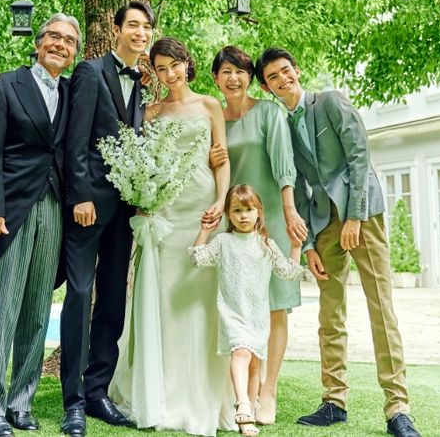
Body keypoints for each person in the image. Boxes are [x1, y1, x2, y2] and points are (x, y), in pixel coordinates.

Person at [255, 47, 422, 437]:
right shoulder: (282, 125)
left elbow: (359, 156)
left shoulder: (330, 102)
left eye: (285, 71)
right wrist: (309, 244)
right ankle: (334, 401)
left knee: (380, 307)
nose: (282, 80)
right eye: (273, 77)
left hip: (362, 214)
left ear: (297, 70)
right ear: (266, 87)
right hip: (322, 222)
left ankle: (398, 407)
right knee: (329, 314)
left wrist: (355, 217)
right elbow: (296, 185)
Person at [109, 37, 235, 437]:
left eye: (174, 65)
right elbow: (142, 163)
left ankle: (202, 391)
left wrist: (221, 200)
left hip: (202, 210)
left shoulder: (210, 105)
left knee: (200, 301)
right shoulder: (151, 112)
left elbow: (221, 158)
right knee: (164, 299)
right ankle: (161, 390)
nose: (169, 74)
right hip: (164, 212)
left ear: (186, 62)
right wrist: (144, 202)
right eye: (161, 69)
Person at [0, 13, 81, 437]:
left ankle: (21, 403)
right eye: (53, 36)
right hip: (11, 207)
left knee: (37, 311)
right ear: (38, 43)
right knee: (0, 310)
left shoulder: (71, 91)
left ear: (73, 53)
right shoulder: (7, 85)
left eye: (69, 41)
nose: (60, 45)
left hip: (54, 207)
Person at [60, 1, 155, 437]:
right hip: (89, 206)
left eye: (146, 27)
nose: (140, 33)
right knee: (80, 294)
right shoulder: (90, 71)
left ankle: (97, 390)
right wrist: (80, 196)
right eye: (132, 25)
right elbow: (76, 139)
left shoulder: (143, 83)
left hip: (124, 210)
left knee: (113, 298)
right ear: (116, 29)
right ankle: (73, 400)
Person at [209, 46, 307, 425]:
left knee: (275, 305)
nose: (234, 78)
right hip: (234, 226)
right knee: (241, 305)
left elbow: (284, 165)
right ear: (216, 78)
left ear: (250, 78)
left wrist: (289, 210)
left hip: (272, 220)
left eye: (241, 71)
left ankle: (268, 391)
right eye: (226, 72)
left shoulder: (268, 112)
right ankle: (245, 392)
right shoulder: (215, 117)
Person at [189, 184, 302, 437]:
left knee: (254, 367)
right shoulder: (223, 242)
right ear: (229, 215)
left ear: (258, 212)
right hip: (232, 313)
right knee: (240, 352)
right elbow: (197, 258)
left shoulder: (266, 244)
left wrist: (296, 247)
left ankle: (247, 418)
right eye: (237, 210)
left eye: (248, 209)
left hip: (258, 316)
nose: (243, 216)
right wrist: (205, 231)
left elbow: (289, 273)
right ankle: (242, 404)